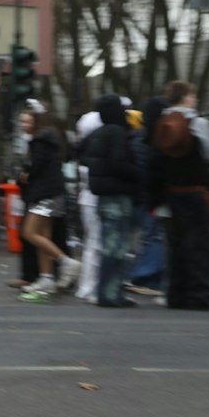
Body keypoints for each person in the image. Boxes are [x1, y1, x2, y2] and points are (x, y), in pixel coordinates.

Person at [149, 105, 209, 309]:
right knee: (198, 246)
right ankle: (199, 295)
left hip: (172, 195)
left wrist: (156, 199)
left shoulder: (162, 136)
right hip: (196, 194)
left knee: (175, 247)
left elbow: (155, 170)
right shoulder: (197, 134)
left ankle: (176, 294)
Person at [80, 93, 142, 308]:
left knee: (108, 245)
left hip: (102, 195)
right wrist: (138, 173)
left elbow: (82, 154)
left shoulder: (98, 133)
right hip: (118, 194)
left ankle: (107, 291)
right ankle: (110, 293)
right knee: (116, 248)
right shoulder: (117, 133)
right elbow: (119, 164)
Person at [17, 113, 75, 297]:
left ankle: (66, 262)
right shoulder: (50, 140)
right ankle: (46, 277)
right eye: (21, 121)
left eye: (27, 121)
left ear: (37, 123)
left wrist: (27, 174)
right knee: (43, 237)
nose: (23, 124)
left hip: (44, 194)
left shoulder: (38, 141)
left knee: (29, 232)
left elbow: (36, 167)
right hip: (52, 192)